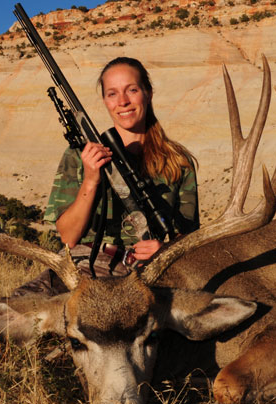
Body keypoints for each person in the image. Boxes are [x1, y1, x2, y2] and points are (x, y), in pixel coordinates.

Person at [14, 57, 199, 295]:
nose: (123, 102)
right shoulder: (79, 156)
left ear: (148, 93)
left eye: (132, 90)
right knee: (13, 313)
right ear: (104, 100)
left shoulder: (178, 162)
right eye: (112, 94)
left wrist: (165, 250)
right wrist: (91, 178)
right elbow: (69, 237)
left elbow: (191, 240)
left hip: (149, 272)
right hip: (82, 266)